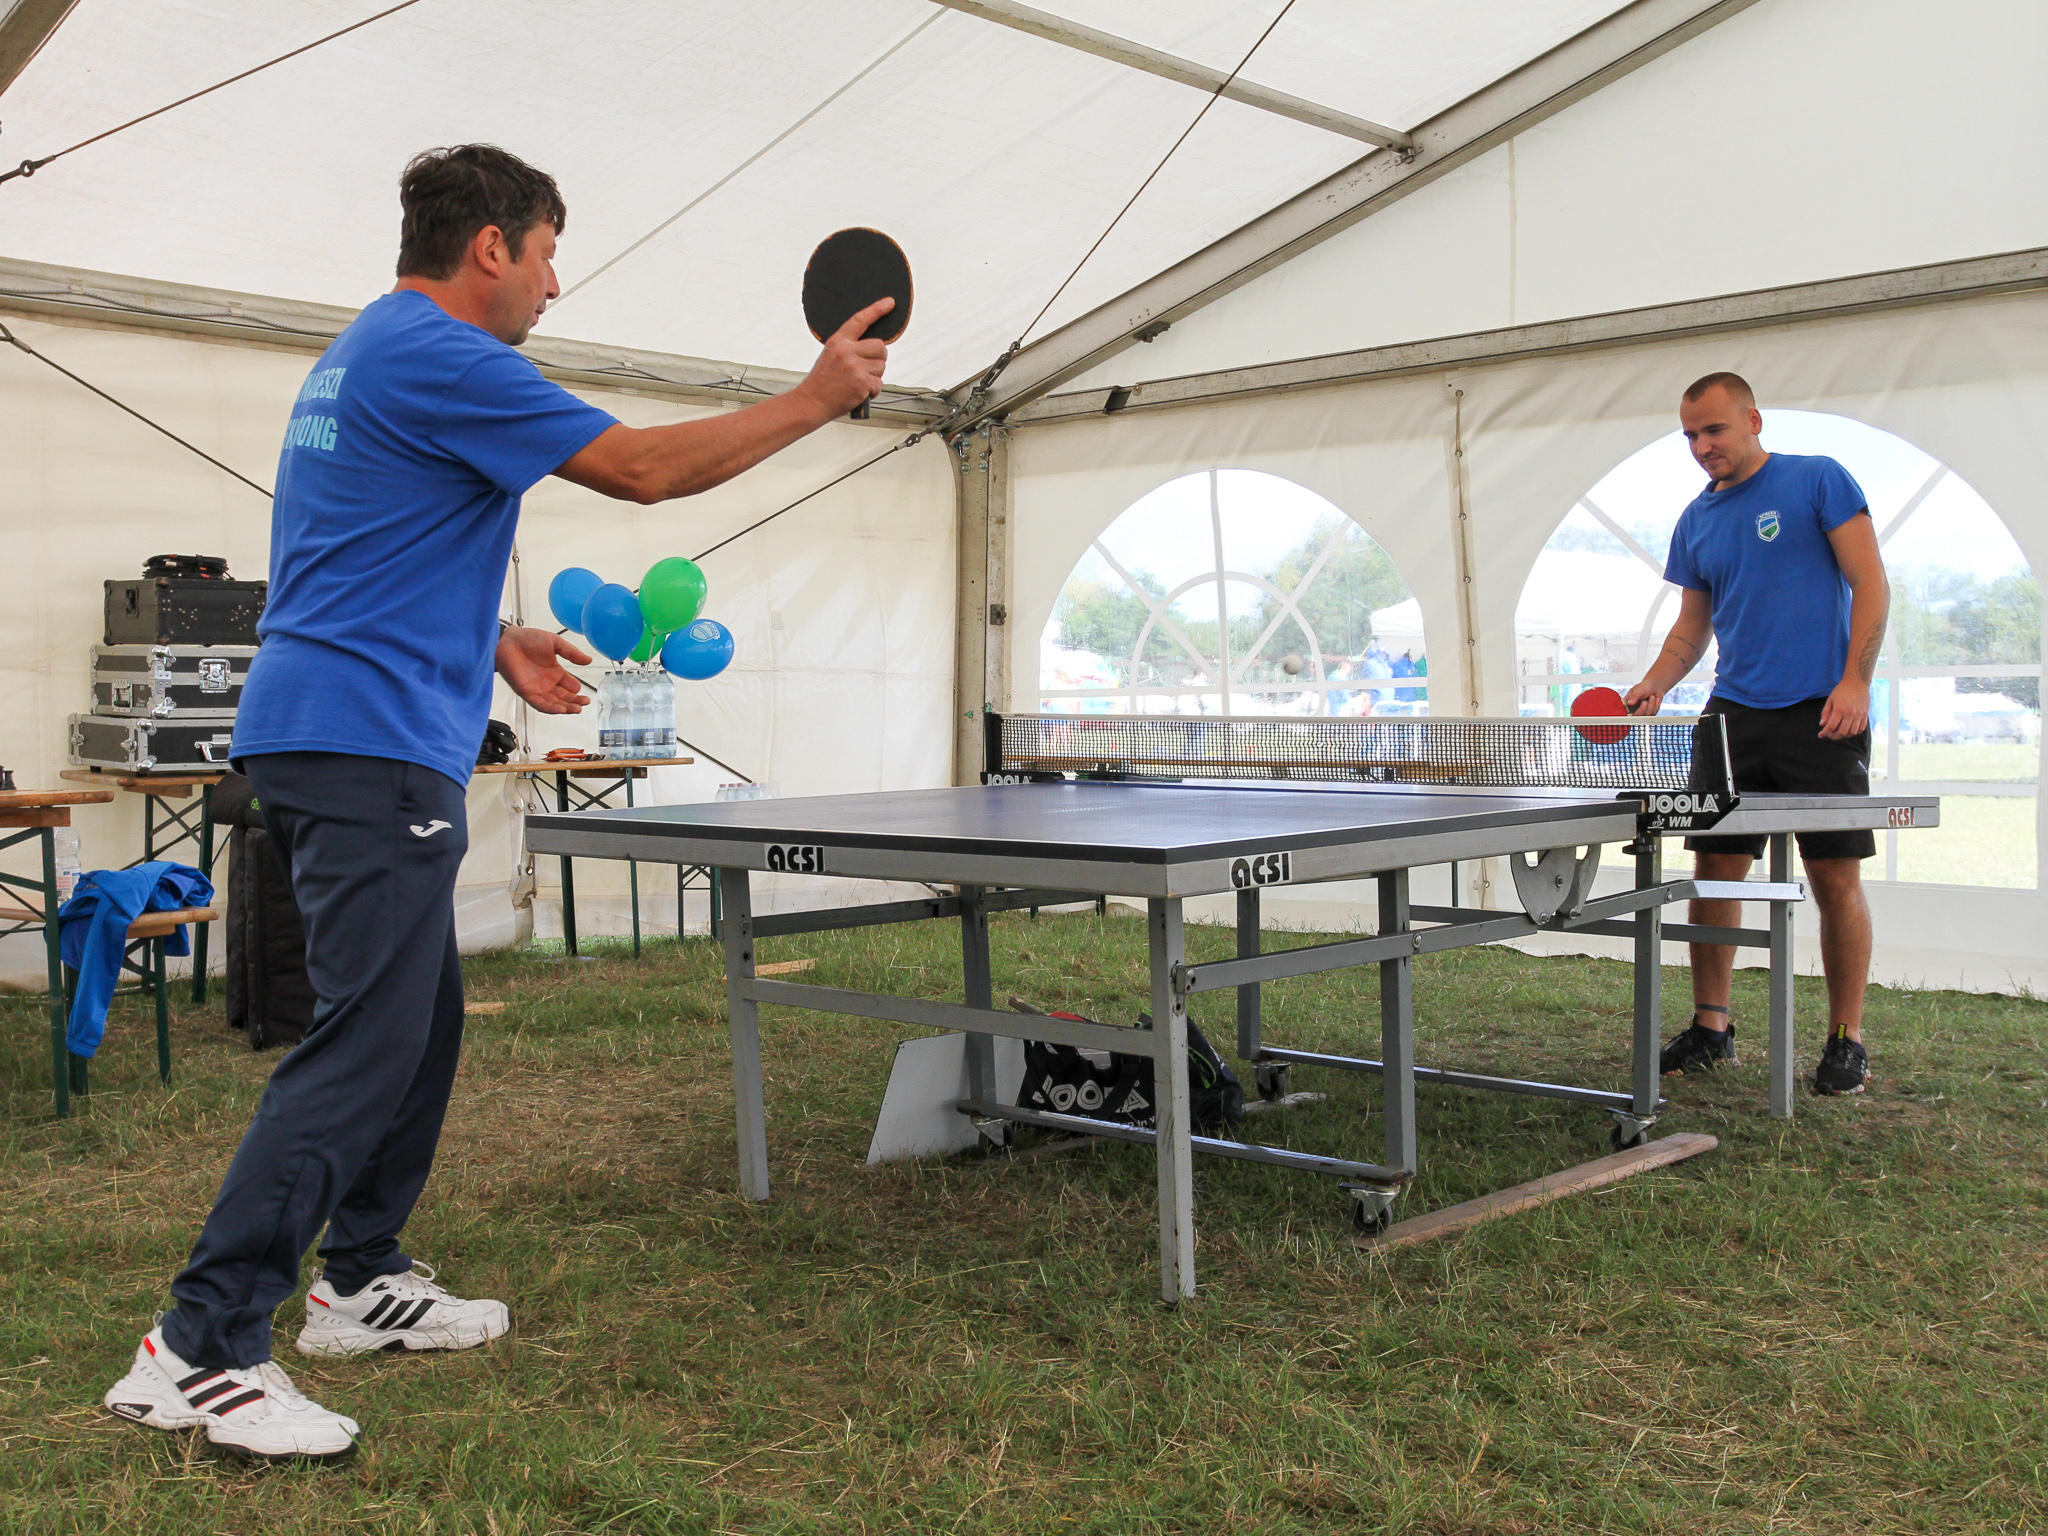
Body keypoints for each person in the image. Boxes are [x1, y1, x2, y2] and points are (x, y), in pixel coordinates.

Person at [102, 144, 892, 1463]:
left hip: (343, 727)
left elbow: (352, 557)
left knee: (419, 1024)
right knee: (364, 1041)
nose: (553, 284)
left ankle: (360, 1278)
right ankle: (200, 1346)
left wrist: (494, 640)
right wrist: (814, 398)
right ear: (489, 249)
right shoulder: (446, 354)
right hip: (363, 744)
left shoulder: (367, 350)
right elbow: (641, 468)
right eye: (545, 255)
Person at [1624, 372, 1889, 1098]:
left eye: (1713, 429)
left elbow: (1870, 582)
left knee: (1834, 877)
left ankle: (1846, 1038)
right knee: (1714, 871)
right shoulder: (1695, 520)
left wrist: (1855, 681)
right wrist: (1655, 682)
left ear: (1753, 420)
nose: (1701, 446)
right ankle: (1712, 1027)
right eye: (1690, 435)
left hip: (1822, 710)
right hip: (1732, 715)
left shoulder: (1819, 480)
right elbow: (1692, 625)